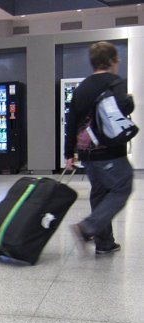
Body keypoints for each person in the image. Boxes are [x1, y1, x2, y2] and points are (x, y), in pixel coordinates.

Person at [65, 41, 135, 255]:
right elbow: (123, 109)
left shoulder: (82, 87)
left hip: (87, 153)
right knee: (123, 185)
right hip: (110, 151)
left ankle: (104, 244)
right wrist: (130, 102)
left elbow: (71, 121)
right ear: (113, 61)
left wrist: (69, 154)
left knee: (100, 194)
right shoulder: (115, 82)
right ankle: (88, 227)